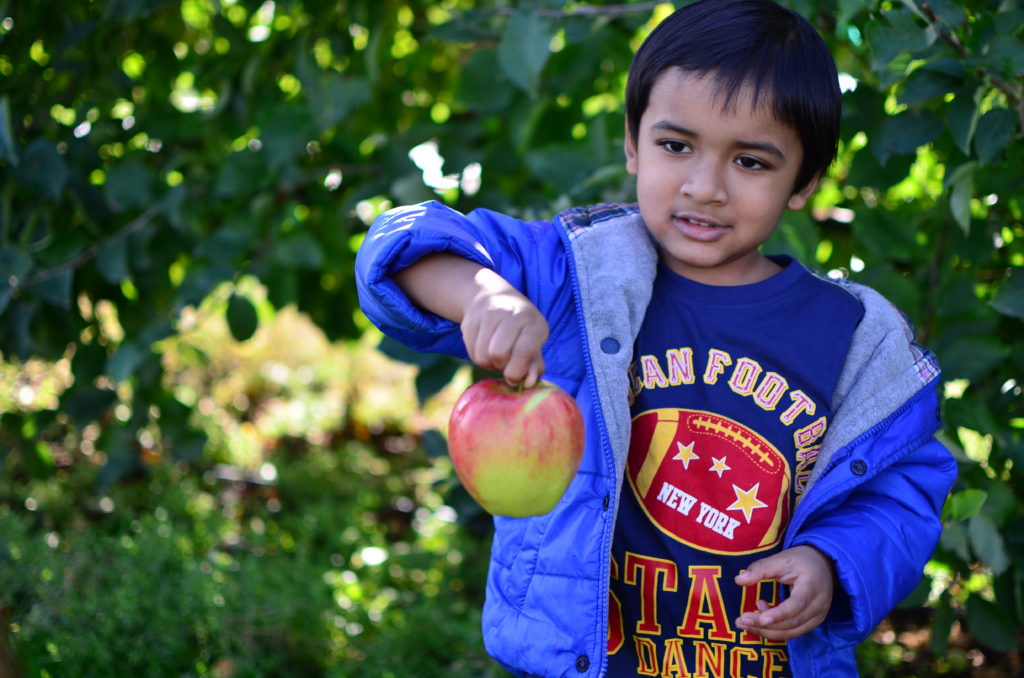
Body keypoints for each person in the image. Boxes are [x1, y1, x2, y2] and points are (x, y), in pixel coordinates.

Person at [354, 0, 958, 675]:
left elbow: (903, 494)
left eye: (752, 162)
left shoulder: (853, 339)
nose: (705, 187)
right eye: (677, 146)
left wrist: (831, 559)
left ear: (806, 181)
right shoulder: (572, 276)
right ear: (633, 143)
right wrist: (484, 295)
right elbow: (404, 247)